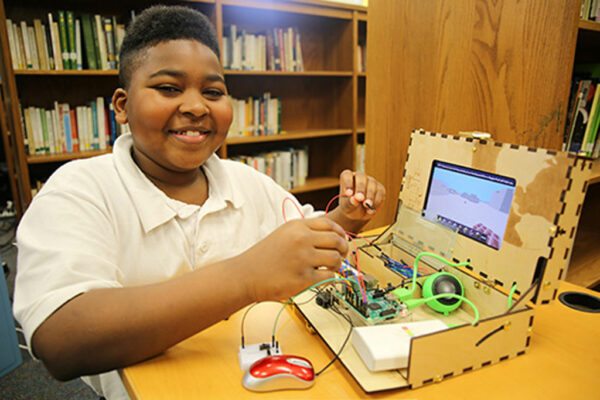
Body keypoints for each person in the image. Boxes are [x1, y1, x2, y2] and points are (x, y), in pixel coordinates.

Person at [13, 5, 386, 399]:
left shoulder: (247, 182)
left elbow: (309, 241)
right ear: (121, 105)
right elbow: (61, 340)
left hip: (248, 379)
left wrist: (345, 215)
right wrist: (246, 276)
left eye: (213, 92)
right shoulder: (79, 189)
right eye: (169, 89)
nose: (196, 106)